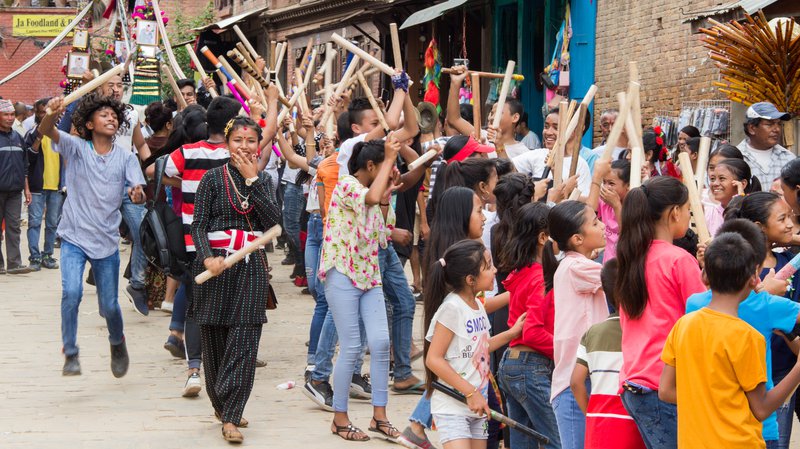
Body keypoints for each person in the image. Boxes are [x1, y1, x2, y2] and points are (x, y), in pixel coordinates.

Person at [660, 232, 800, 449]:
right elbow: (761, 409)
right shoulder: (747, 336)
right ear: (754, 279)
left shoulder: (683, 325)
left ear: (704, 276)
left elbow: (666, 391)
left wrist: (709, 402)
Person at [39, 94, 146, 377]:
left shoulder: (125, 157)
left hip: (107, 241)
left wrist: (137, 194)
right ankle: (70, 352)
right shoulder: (75, 148)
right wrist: (52, 112)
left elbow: (138, 191)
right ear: (89, 123)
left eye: (114, 115)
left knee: (109, 306)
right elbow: (45, 130)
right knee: (71, 293)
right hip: (73, 236)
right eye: (104, 115)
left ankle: (117, 341)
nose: (111, 118)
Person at [165, 95, 264, 398]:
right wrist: (262, 111)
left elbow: (163, 173)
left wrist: (185, 186)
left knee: (199, 306)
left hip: (193, 243)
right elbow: (264, 148)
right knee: (231, 309)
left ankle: (195, 369)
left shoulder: (187, 152)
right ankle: (221, 370)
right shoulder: (239, 156)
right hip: (228, 247)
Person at [190, 115, 281, 443]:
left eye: (251, 141)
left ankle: (231, 414)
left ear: (259, 145)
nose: (245, 147)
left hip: (251, 269)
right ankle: (222, 404)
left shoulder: (264, 181)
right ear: (227, 144)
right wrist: (207, 257)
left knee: (244, 341)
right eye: (238, 141)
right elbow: (198, 224)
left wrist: (253, 181)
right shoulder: (212, 179)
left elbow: (274, 223)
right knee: (214, 343)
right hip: (215, 269)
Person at [320, 137, 402, 442]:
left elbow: (382, 229)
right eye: (386, 166)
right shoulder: (347, 185)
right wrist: (389, 162)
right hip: (341, 273)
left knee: (381, 343)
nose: (391, 171)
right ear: (371, 166)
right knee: (352, 347)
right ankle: (339, 419)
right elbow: (367, 200)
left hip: (369, 274)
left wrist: (387, 194)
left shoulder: (376, 192)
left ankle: (379, 416)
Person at [615, 176, 705, 448]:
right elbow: (706, 319)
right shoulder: (678, 259)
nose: (689, 215)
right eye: (688, 208)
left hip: (636, 383)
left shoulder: (631, 257)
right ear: (675, 212)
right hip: (667, 386)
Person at [424, 239, 525, 449]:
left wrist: (512, 333)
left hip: (477, 404)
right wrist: (470, 392)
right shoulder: (452, 308)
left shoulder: (477, 305)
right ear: (471, 279)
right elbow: (433, 359)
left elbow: (481, 347)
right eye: (488, 266)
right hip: (454, 405)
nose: (495, 269)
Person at [724, 192, 800, 446]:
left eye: (790, 217)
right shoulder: (739, 269)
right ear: (760, 228)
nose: (790, 224)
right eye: (782, 218)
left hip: (780, 371)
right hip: (749, 371)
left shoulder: (790, 262)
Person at [496, 202, 561, 449]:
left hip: (513, 365)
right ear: (543, 237)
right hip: (530, 367)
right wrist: (563, 349)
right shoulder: (539, 277)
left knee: (524, 443)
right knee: (558, 440)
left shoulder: (523, 271)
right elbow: (532, 332)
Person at [548, 200, 609, 449]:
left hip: (579, 379)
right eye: (595, 222)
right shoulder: (577, 267)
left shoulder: (575, 264)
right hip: (575, 382)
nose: (603, 226)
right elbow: (620, 277)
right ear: (577, 239)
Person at [570, 259, 645, 449]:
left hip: (597, 424)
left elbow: (576, 382)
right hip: (631, 423)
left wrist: (591, 413)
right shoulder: (644, 331)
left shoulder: (592, 333)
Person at [512, 109, 592, 194]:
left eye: (556, 128)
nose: (548, 132)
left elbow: (586, 201)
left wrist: (567, 191)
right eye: (546, 127)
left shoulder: (579, 164)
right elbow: (508, 170)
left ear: (572, 131)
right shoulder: (537, 154)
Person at [25, 96, 62, 271]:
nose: (45, 114)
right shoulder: (31, 133)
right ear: (37, 114)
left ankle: (48, 254)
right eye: (41, 112)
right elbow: (28, 158)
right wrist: (39, 137)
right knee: (34, 222)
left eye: (48, 111)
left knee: (53, 223)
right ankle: (34, 256)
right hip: (37, 187)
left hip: (56, 186)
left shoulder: (60, 133)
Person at [0, 99, 33, 274]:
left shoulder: (18, 138)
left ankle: (14, 263)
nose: (10, 118)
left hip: (15, 191)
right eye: (6, 114)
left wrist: (26, 189)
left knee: (14, 226)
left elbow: (24, 166)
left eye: (12, 114)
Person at [736, 102, 794, 190]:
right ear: (751, 128)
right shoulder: (735, 158)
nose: (777, 129)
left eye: (779, 124)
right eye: (769, 124)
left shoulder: (789, 159)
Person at [586, 159, 630, 263]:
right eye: (604, 182)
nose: (606, 187)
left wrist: (616, 206)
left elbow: (628, 233)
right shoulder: (605, 202)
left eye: (611, 183)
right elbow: (589, 211)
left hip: (626, 263)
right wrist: (596, 178)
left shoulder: (633, 203)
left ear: (627, 185)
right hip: (608, 263)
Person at [705, 158, 761, 236]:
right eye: (713, 179)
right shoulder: (708, 212)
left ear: (743, 184)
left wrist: (738, 200)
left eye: (722, 178)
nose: (715, 183)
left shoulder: (752, 212)